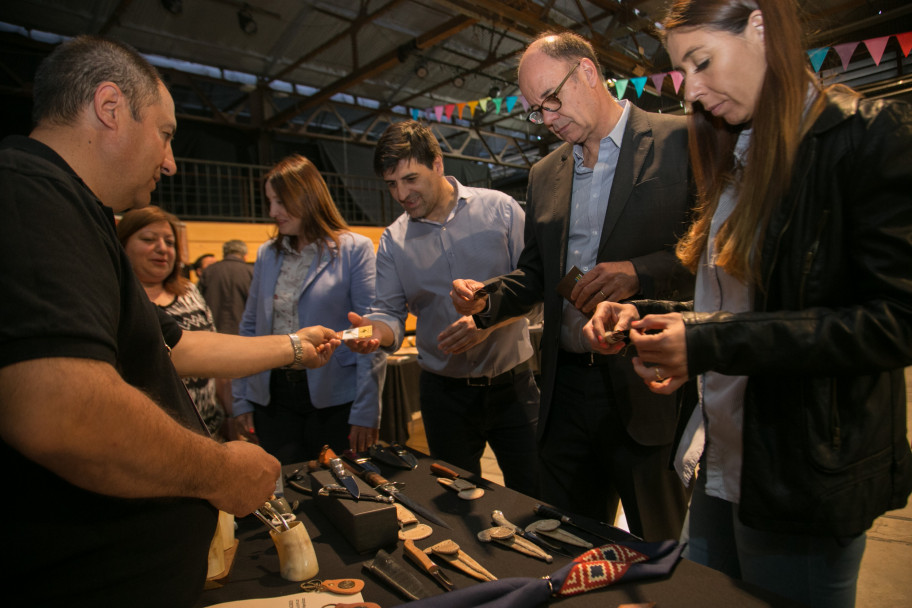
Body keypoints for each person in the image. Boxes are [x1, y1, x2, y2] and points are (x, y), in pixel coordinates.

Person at [582, 1, 912, 606]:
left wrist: (706, 343)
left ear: (760, 27)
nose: (694, 93)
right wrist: (656, 317)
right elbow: (747, 298)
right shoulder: (738, 151)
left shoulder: (866, 136)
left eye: (702, 62)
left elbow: (893, 322)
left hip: (799, 473)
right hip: (722, 456)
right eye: (683, 73)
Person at [0, 35, 341, 607]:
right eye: (164, 134)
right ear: (110, 108)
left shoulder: (75, 212)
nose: (170, 161)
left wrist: (292, 346)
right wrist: (220, 472)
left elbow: (178, 348)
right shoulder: (32, 193)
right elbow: (61, 410)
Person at [451, 32, 693, 540]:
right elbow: (537, 272)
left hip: (645, 386)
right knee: (567, 542)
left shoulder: (680, 142)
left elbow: (714, 258)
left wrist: (638, 271)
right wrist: (490, 299)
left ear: (587, 72)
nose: (548, 118)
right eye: (537, 111)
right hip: (565, 395)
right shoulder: (544, 174)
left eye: (552, 101)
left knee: (660, 551)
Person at [348, 120, 540, 497]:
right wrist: (376, 332)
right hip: (444, 397)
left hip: (513, 386)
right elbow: (389, 314)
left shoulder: (500, 210)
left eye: (410, 179)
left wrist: (489, 322)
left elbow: (535, 290)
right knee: (454, 503)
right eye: (391, 184)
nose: (401, 194)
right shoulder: (393, 241)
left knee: (535, 497)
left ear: (437, 164)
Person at [232, 154, 387, 461]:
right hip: (272, 397)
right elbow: (250, 327)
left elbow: (369, 330)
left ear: (307, 197)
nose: (273, 211)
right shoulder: (267, 254)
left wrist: (367, 408)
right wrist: (242, 398)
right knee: (282, 491)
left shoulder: (354, 249)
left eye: (280, 201)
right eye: (270, 201)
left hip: (335, 398)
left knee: (339, 493)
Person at [118, 206, 227, 437]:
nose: (162, 249)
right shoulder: (117, 299)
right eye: (148, 239)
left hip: (209, 427)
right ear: (122, 245)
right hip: (152, 437)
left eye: (169, 242)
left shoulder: (189, 292)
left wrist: (231, 411)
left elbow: (215, 352)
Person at [200, 239, 255, 335]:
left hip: (214, 332)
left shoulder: (209, 271)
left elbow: (200, 302)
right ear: (245, 255)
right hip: (243, 333)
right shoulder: (251, 272)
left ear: (224, 253)